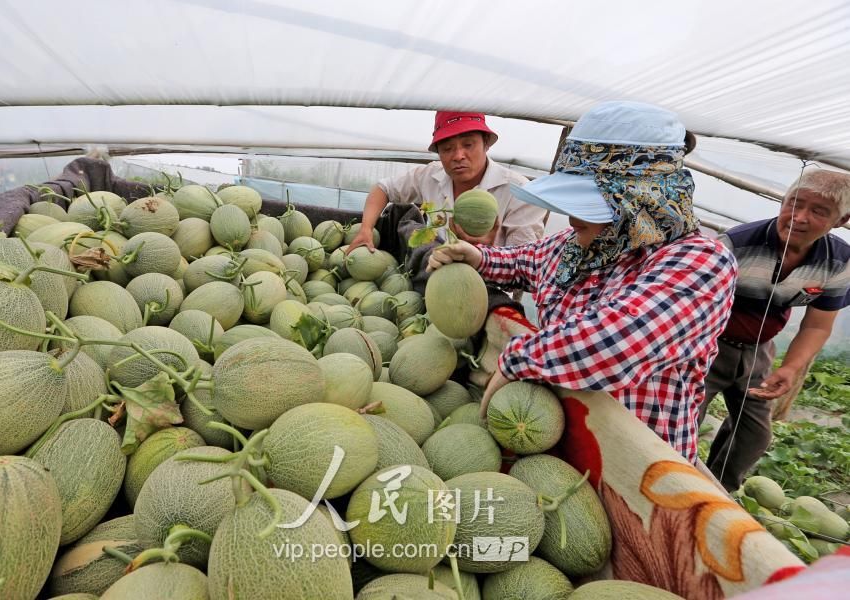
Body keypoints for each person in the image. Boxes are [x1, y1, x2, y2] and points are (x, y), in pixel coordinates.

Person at [427, 101, 737, 464]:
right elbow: (521, 262)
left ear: (642, 200)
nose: (572, 218)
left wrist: (520, 358)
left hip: (638, 475)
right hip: (560, 449)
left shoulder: (700, 263)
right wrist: (477, 257)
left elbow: (619, 339)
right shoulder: (572, 246)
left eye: (589, 205)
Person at [701, 169, 850, 491]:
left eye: (818, 211)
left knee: (754, 434)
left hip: (759, 353)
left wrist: (792, 367)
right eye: (793, 204)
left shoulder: (839, 262)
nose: (799, 217)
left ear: (841, 219)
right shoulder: (735, 245)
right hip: (708, 347)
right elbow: (692, 306)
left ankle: (717, 490)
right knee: (681, 422)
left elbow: (817, 324)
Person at [346, 111, 547, 253]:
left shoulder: (520, 192)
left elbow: (526, 266)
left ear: (486, 143)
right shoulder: (431, 175)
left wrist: (485, 252)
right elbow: (383, 189)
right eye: (447, 148)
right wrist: (366, 229)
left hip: (487, 296)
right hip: (435, 282)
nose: (458, 155)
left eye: (468, 144)